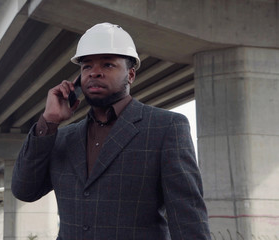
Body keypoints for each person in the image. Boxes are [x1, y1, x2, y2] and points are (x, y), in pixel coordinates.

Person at [12, 22, 211, 240]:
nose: (94, 73)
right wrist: (48, 122)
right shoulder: (62, 137)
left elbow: (188, 219)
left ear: (131, 75)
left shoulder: (166, 128)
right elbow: (25, 191)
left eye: (107, 65)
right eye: (87, 66)